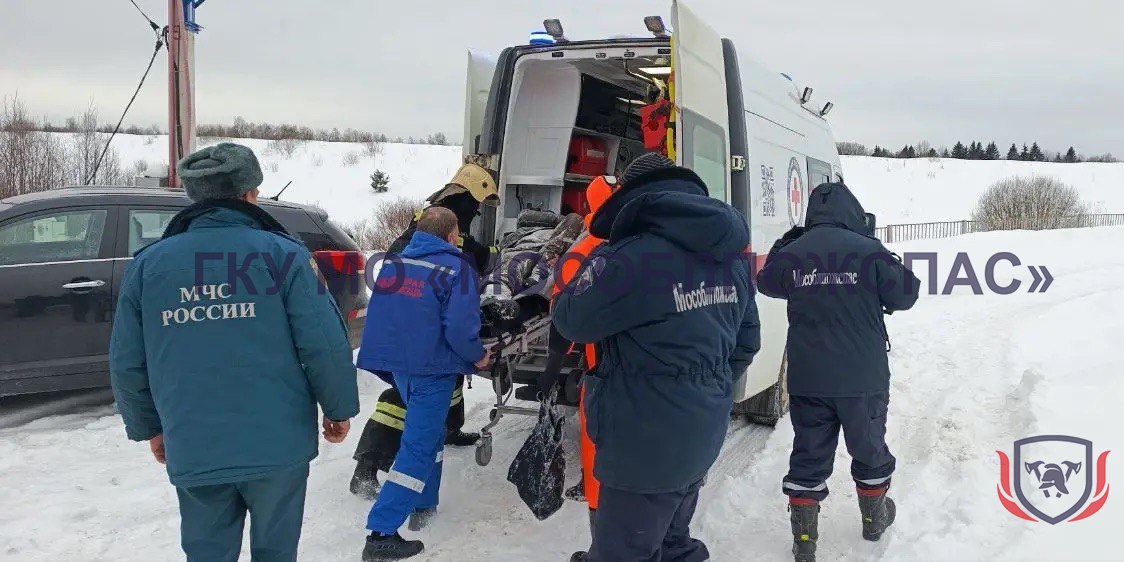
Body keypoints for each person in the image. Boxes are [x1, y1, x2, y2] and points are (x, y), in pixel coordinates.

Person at [109, 143, 360, 562]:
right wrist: (338, 409)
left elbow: (126, 359)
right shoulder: (284, 256)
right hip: (277, 443)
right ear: (248, 194)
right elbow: (324, 343)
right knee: (277, 551)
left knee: (206, 551)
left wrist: (149, 426)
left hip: (193, 439)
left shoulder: (149, 265)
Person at [554, 154, 762, 562]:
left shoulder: (629, 259)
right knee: (671, 541)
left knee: (624, 552)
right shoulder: (732, 258)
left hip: (642, 442)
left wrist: (596, 256)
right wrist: (705, 386)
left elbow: (571, 320)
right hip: (700, 432)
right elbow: (747, 343)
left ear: (632, 198)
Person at [756, 182, 920, 562]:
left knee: (809, 453)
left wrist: (786, 244)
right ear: (852, 213)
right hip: (863, 379)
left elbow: (766, 282)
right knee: (868, 447)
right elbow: (907, 293)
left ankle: (805, 540)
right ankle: (874, 519)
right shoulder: (869, 252)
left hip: (809, 379)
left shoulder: (795, 254)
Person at [349, 164, 499, 499]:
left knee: (448, 378)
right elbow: (463, 249)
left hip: (413, 295)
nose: (480, 208)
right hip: (414, 305)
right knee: (406, 395)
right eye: (482, 200)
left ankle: (447, 428)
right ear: (473, 191)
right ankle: (368, 465)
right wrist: (490, 256)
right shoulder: (451, 209)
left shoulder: (443, 204)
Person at [355, 206, 492, 561]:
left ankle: (424, 505)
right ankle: (381, 532)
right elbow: (461, 327)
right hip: (433, 370)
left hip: (401, 367)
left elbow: (383, 316)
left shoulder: (396, 264)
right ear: (451, 234)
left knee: (429, 437)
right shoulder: (455, 268)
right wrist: (477, 355)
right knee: (417, 447)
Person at [541, 175, 615, 516]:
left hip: (601, 362)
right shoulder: (649, 240)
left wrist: (555, 362)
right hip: (648, 361)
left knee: (596, 431)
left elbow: (562, 314)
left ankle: (596, 497)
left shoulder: (584, 248)